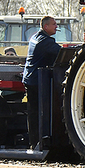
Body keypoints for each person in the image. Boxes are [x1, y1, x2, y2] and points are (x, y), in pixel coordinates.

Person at [22, 16, 61, 150]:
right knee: (37, 112)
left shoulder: (37, 37)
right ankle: (37, 142)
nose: (57, 27)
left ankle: (35, 141)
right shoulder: (45, 41)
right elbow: (61, 53)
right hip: (36, 81)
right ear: (46, 27)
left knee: (34, 112)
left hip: (31, 79)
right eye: (54, 24)